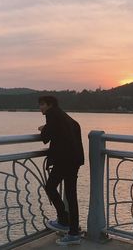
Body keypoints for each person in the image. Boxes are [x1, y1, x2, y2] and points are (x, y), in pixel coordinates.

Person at [38, 95, 84, 246]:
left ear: (49, 105)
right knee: (71, 195)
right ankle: (72, 229)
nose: (40, 108)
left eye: (42, 104)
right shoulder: (64, 115)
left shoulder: (52, 114)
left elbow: (46, 137)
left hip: (64, 160)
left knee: (50, 187)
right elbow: (76, 127)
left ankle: (66, 223)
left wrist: (43, 128)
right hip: (74, 159)